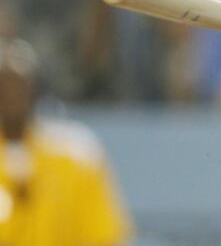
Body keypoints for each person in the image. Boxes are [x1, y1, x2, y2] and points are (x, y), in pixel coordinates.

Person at [0, 38, 133, 245]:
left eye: (20, 86)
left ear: (35, 92)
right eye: (5, 86)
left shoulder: (76, 158)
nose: (12, 96)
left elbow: (104, 236)